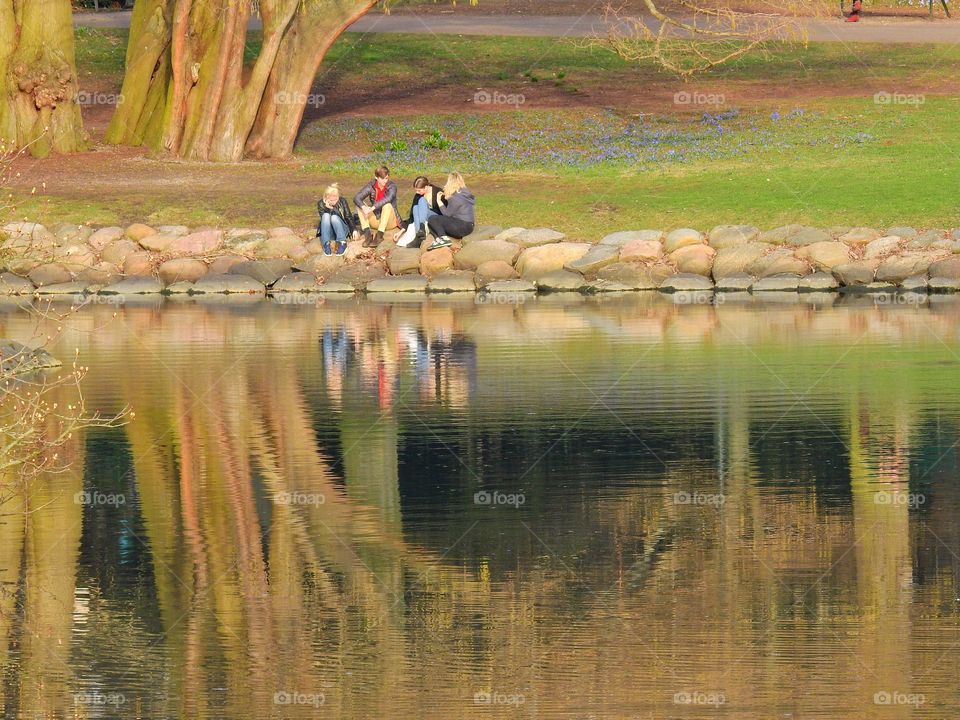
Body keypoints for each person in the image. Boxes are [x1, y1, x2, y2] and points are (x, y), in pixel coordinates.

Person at [354, 166, 400, 248]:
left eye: (386, 178)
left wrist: (372, 208)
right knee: (360, 206)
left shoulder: (392, 186)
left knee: (387, 205)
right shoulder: (371, 185)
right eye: (382, 179)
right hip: (376, 220)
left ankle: (379, 235)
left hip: (390, 222)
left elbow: (388, 198)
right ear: (376, 178)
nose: (385, 181)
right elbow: (356, 197)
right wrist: (364, 207)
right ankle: (368, 235)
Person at [426, 172, 475, 250]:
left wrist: (439, 201)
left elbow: (447, 214)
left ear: (450, 183)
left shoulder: (455, 197)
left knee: (433, 218)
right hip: (469, 226)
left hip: (462, 226)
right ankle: (438, 240)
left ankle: (444, 239)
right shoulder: (464, 193)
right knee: (431, 224)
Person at [397, 176, 446, 248]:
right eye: (416, 190)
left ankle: (420, 230)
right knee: (415, 207)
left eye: (419, 190)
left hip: (436, 218)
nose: (417, 192)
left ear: (426, 187)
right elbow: (412, 215)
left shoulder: (438, 192)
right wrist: (401, 231)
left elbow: (445, 210)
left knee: (422, 200)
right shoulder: (418, 195)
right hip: (424, 219)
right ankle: (419, 234)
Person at [316, 183, 355, 256]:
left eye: (335, 196)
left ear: (338, 196)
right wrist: (328, 208)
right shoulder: (321, 204)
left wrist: (354, 230)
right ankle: (326, 243)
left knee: (334, 217)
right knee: (325, 215)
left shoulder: (342, 201)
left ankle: (342, 242)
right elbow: (325, 222)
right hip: (329, 232)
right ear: (326, 196)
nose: (333, 198)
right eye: (331, 196)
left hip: (341, 229)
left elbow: (348, 216)